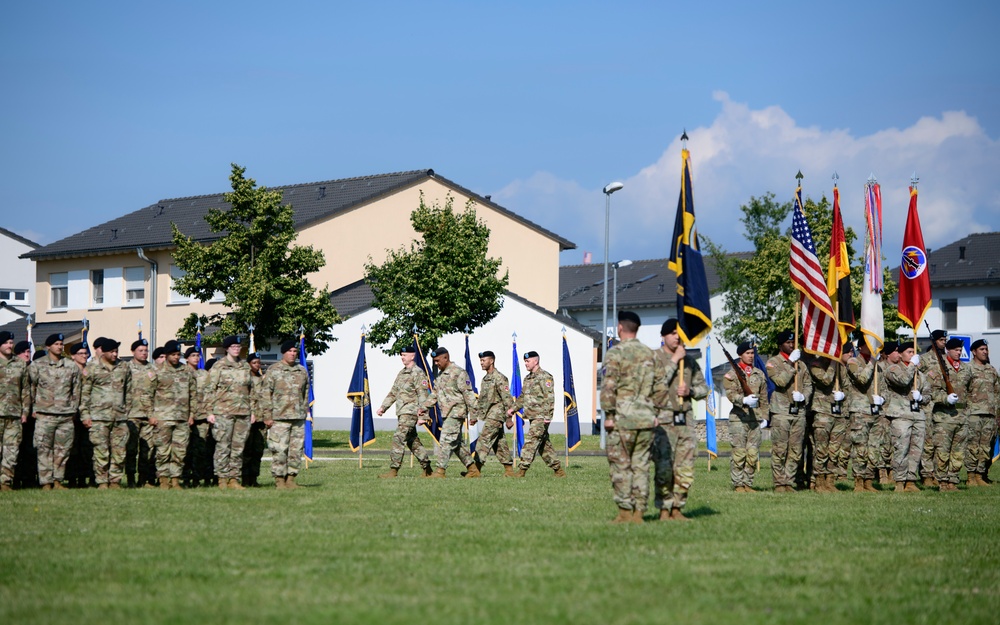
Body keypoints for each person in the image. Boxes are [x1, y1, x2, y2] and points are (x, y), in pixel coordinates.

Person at [600, 311, 666, 523]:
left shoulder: (615, 353)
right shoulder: (651, 354)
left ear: (620, 328)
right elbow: (662, 389)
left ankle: (625, 512)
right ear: (637, 329)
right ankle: (640, 511)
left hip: (623, 419)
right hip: (646, 420)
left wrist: (608, 415)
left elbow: (609, 387)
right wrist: (654, 412)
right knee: (641, 466)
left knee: (621, 465)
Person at [652, 318, 707, 521]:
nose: (676, 337)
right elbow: (653, 385)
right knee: (664, 468)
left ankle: (678, 508)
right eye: (672, 333)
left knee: (685, 469)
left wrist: (691, 390)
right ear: (664, 336)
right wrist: (674, 360)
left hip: (685, 421)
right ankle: (664, 509)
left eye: (679, 334)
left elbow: (704, 389)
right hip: (663, 423)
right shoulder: (654, 358)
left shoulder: (690, 362)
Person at [28, 333, 81, 490]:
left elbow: (76, 390)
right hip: (45, 415)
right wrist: (33, 408)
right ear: (48, 347)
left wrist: (73, 409)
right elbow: (30, 389)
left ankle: (58, 480)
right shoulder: (37, 366)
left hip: (65, 415)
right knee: (43, 449)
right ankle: (46, 482)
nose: (60, 346)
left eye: (61, 344)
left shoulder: (71, 366)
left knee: (62, 450)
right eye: (56, 344)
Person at [80, 338, 132, 489]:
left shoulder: (123, 367)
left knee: (119, 451)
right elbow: (84, 394)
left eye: (116, 351)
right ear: (103, 352)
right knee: (101, 451)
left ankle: (115, 481)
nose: (115, 354)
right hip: (98, 418)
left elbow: (128, 391)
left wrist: (126, 411)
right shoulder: (92, 368)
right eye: (112, 352)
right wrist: (85, 415)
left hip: (119, 417)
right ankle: (102, 481)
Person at [376, 345, 434, 478]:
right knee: (412, 441)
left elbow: (423, 395)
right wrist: (383, 407)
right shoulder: (402, 373)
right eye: (401, 355)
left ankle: (393, 470)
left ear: (412, 356)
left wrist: (423, 415)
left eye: (404, 355)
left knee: (398, 437)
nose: (402, 357)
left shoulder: (418, 373)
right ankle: (427, 468)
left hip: (411, 412)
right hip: (402, 412)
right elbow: (393, 392)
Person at [880, 341, 930, 492]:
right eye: (909, 352)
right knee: (901, 449)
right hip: (900, 415)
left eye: (914, 352)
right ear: (900, 354)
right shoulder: (893, 369)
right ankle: (899, 481)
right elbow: (903, 381)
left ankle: (910, 480)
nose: (913, 355)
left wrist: (921, 397)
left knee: (916, 450)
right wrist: (912, 366)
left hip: (917, 416)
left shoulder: (920, 375)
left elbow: (928, 394)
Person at [260, 339, 310, 489]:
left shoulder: (301, 371)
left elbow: (305, 393)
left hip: (298, 417)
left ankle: (291, 479)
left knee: (296, 450)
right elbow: (265, 394)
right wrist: (267, 416)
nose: (293, 354)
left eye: (295, 352)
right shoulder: (274, 370)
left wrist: (305, 411)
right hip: (279, 418)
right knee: (280, 450)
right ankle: (279, 480)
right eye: (290, 351)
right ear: (283, 353)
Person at [766, 331, 812, 492]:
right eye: (787, 343)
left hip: (798, 412)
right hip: (781, 412)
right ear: (780, 345)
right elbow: (780, 381)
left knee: (796, 450)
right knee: (780, 449)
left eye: (793, 343)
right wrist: (791, 365)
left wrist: (804, 397)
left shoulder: (802, 364)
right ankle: (779, 483)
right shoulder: (773, 363)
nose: (791, 345)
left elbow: (808, 385)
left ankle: (788, 481)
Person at [207, 336, 254, 489]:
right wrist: (209, 412)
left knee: (238, 447)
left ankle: (234, 479)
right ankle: (222, 478)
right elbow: (209, 390)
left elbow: (251, 391)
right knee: (223, 446)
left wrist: (252, 411)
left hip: (243, 412)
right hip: (223, 412)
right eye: (233, 346)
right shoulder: (218, 366)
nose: (236, 348)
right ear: (226, 348)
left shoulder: (245, 366)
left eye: (238, 346)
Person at [508, 350, 564, 480]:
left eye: (528, 361)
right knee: (544, 446)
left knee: (530, 443)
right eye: (525, 362)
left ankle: (522, 470)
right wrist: (513, 409)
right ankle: (558, 470)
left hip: (541, 417)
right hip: (532, 417)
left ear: (536, 361)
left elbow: (549, 398)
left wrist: (548, 417)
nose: (526, 364)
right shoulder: (528, 378)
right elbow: (522, 398)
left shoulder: (545, 377)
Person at [925, 337, 972, 491]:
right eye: (956, 350)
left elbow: (970, 391)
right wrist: (945, 398)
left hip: (961, 416)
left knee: (958, 453)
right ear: (948, 350)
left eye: (960, 350)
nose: (959, 353)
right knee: (942, 452)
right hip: (944, 417)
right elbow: (931, 393)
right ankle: (942, 482)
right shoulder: (938, 368)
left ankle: (953, 481)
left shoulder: (966, 369)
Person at [427, 347, 480, 478]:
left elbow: (469, 395)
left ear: (446, 358)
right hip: (446, 413)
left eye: (438, 360)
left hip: (456, 413)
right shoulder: (440, 376)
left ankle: (440, 470)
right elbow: (434, 394)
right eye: (434, 361)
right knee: (456, 444)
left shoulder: (459, 373)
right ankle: (473, 470)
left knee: (445, 440)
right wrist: (422, 407)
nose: (436, 364)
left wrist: (473, 415)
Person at [150, 340, 197, 490]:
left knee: (180, 451)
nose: (176, 357)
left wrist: (192, 414)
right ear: (166, 355)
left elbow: (193, 395)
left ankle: (176, 480)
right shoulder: (156, 371)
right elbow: (146, 395)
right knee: (163, 451)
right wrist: (151, 415)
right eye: (173, 354)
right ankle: (164, 480)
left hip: (182, 418)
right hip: (162, 418)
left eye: (178, 354)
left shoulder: (187, 371)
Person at [724, 341, 769, 492]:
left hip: (755, 419)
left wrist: (765, 416)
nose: (751, 356)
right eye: (747, 353)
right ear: (740, 355)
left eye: (752, 353)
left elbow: (763, 397)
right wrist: (743, 400)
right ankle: (738, 484)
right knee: (739, 452)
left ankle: (748, 483)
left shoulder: (759, 373)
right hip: (739, 419)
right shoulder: (731, 374)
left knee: (752, 452)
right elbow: (730, 394)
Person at [845, 340, 883, 492]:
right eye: (868, 344)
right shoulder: (853, 361)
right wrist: (872, 362)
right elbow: (862, 379)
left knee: (874, 448)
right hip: (860, 410)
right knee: (860, 448)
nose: (872, 347)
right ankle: (858, 482)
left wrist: (883, 398)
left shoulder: (877, 367)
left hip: (876, 411)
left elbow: (883, 386)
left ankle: (868, 480)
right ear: (860, 346)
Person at [470, 350, 516, 477]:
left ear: (491, 361)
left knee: (484, 439)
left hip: (497, 415)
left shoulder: (500, 378)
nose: (481, 363)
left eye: (483, 360)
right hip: (489, 414)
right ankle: (509, 470)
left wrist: (508, 418)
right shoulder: (485, 379)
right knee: (499, 443)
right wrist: (475, 416)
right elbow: (482, 400)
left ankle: (475, 470)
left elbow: (507, 398)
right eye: (480, 360)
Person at [964, 340, 999, 486]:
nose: (985, 352)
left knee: (985, 447)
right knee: (972, 446)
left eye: (986, 349)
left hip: (990, 414)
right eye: (982, 349)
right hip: (973, 413)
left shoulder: (991, 370)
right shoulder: (968, 369)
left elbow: (997, 393)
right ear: (973, 351)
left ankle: (980, 475)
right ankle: (971, 476)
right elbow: (962, 391)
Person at [125, 339, 157, 488]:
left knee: (147, 450)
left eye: (146, 351)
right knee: (131, 449)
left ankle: (143, 479)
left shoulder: (153, 369)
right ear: (133, 352)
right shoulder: (126, 368)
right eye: (140, 350)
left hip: (148, 415)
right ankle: (130, 478)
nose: (144, 353)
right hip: (131, 414)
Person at [0, 331, 30, 492]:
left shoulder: (19, 364)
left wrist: (25, 412)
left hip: (14, 414)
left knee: (11, 451)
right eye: (6, 343)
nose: (9, 346)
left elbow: (25, 390)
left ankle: (6, 483)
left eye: (11, 343)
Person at [918, 329, 948, 485]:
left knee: (940, 441)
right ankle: (926, 474)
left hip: (943, 404)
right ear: (933, 341)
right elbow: (915, 377)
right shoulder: (924, 359)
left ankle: (938, 473)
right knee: (928, 441)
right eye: (941, 340)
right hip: (928, 404)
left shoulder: (947, 359)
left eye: (945, 340)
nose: (944, 342)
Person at [66, 341, 94, 487]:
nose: (84, 356)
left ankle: (84, 478)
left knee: (86, 448)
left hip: (88, 414)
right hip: (71, 414)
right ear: (73, 356)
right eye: (81, 353)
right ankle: (71, 478)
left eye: (86, 353)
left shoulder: (90, 370)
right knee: (72, 448)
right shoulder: (68, 370)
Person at [183, 346, 212, 487]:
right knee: (185, 449)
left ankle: (196, 478)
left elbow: (210, 394)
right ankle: (184, 477)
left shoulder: (204, 374)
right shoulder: (182, 372)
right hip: (185, 417)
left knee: (200, 449)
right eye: (193, 355)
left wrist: (209, 413)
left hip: (201, 416)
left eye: (198, 355)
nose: (196, 357)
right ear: (187, 358)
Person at [12, 340, 37, 489]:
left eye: (28, 351)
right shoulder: (14, 369)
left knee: (30, 448)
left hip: (32, 415)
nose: (27, 354)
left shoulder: (34, 369)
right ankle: (14, 478)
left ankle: (29, 478)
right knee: (15, 448)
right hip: (15, 412)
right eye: (23, 352)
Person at [242, 352, 267, 486]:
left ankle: (254, 478)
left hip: (261, 419)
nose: (257, 365)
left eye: (258, 363)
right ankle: (245, 478)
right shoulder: (245, 380)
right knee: (247, 450)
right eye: (254, 363)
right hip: (248, 419)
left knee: (258, 450)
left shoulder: (263, 380)